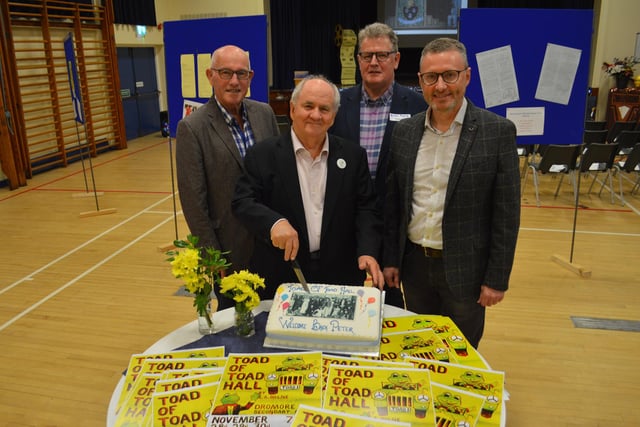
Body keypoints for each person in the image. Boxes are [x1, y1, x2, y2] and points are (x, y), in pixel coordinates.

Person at [383, 38, 521, 348]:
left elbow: (507, 213)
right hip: (415, 266)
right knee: (420, 345)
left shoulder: (497, 132)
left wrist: (496, 279)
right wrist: (391, 259)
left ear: (467, 76)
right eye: (431, 77)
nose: (441, 86)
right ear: (421, 81)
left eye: (450, 75)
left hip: (467, 271)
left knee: (461, 350)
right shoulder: (405, 133)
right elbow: (395, 205)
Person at [232, 75, 385, 300]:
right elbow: (242, 202)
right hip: (282, 274)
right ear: (292, 109)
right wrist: (273, 222)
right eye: (308, 106)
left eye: (324, 109)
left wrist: (367, 251)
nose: (316, 115)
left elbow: (366, 209)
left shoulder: (353, 156)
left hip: (341, 275)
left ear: (333, 117)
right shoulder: (262, 155)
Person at [330, 22, 427, 308]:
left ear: (396, 60)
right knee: (343, 304)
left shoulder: (418, 107)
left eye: (382, 55)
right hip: (345, 226)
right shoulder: (337, 103)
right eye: (366, 55)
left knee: (392, 308)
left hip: (395, 228)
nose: (373, 62)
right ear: (357, 59)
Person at [176, 45, 279, 310]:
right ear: (210, 76)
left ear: (251, 77)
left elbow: (281, 173)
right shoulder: (192, 128)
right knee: (237, 327)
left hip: (272, 243)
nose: (234, 81)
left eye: (241, 73)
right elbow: (193, 201)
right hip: (230, 253)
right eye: (225, 73)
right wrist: (213, 258)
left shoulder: (264, 113)